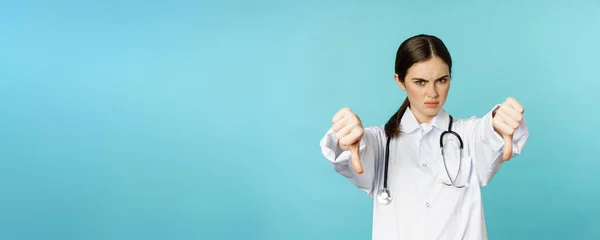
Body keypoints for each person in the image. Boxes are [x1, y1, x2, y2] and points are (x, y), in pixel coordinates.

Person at [319, 34, 530, 240]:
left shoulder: (469, 134)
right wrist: (345, 139)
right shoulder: (379, 142)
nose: (432, 93)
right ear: (400, 81)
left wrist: (499, 120)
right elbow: (354, 153)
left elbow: (488, 133)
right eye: (420, 82)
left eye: (441, 80)